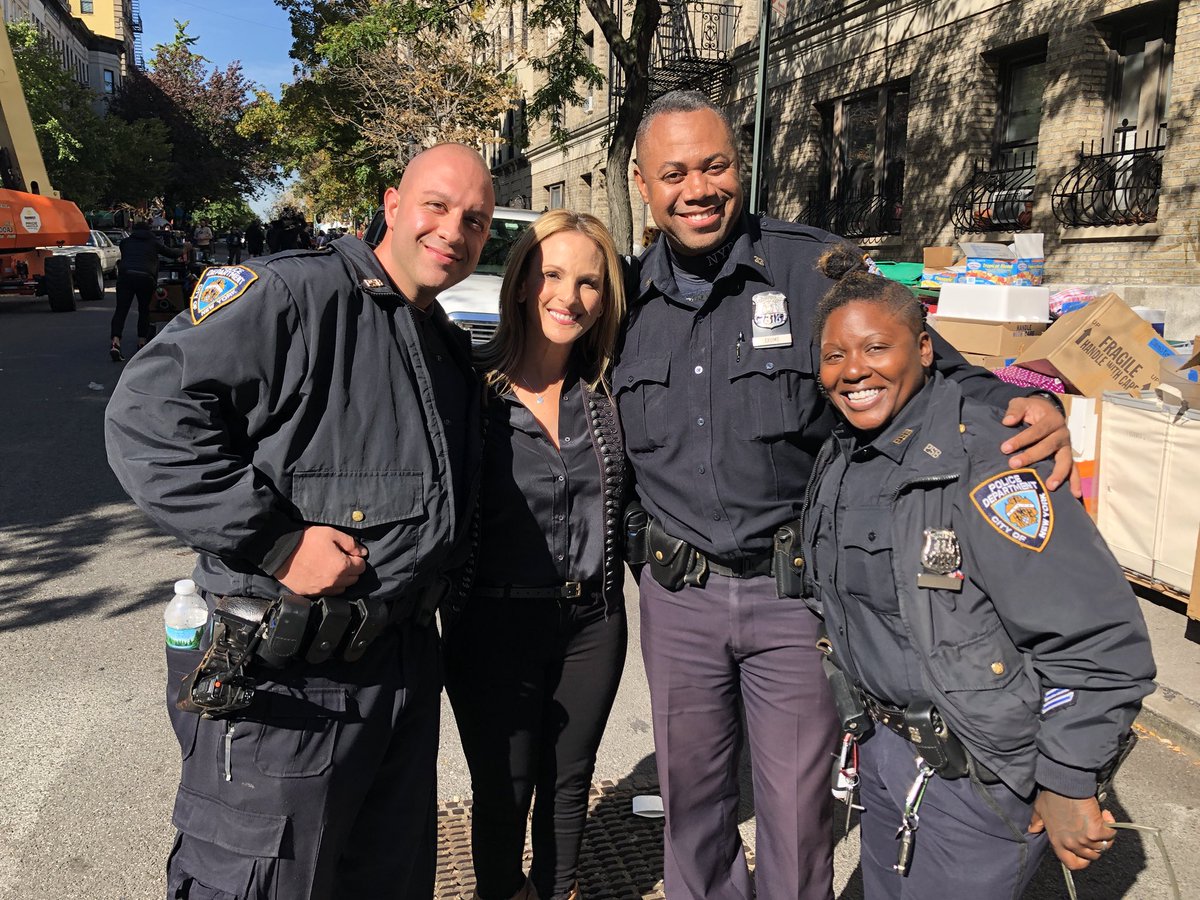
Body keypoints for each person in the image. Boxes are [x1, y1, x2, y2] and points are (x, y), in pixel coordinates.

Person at [616, 89, 1076, 900]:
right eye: (674, 172)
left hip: (794, 598)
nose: (699, 188)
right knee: (692, 800)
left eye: (716, 164)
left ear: (741, 166)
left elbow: (920, 359)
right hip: (678, 594)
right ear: (644, 188)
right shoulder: (624, 299)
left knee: (796, 806)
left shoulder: (812, 268)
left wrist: (1017, 404)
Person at [104, 142, 496, 899]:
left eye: (475, 220)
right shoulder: (294, 296)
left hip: (400, 675)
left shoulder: (441, 341)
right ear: (391, 204)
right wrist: (276, 543)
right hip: (289, 683)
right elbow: (147, 415)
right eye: (437, 206)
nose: (454, 230)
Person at [801, 244, 1155, 898]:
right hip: (882, 753)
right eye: (835, 355)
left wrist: (1067, 778)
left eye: (876, 347)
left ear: (926, 349)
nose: (854, 370)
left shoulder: (992, 461)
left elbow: (1097, 641)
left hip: (972, 780)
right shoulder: (844, 453)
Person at [444, 210, 629, 900]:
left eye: (588, 282)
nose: (569, 296)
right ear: (521, 282)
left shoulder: (608, 393)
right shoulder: (469, 387)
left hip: (592, 623)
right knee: (504, 791)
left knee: (569, 786)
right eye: (552, 274)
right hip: (491, 627)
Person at [110, 221, 189, 361]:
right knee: (144, 310)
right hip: (146, 277)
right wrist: (184, 249)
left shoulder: (125, 242)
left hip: (125, 276)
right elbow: (171, 253)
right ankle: (141, 341)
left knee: (121, 310)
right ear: (149, 230)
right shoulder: (154, 242)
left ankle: (115, 342)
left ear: (133, 230)